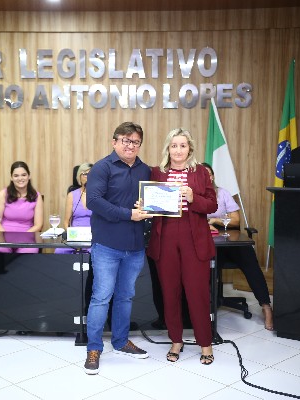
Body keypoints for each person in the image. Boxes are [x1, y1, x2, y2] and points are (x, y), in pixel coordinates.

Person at [83, 122, 151, 375]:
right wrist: (128, 214)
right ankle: (94, 348)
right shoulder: (102, 168)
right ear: (114, 142)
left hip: (135, 246)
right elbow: (93, 201)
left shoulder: (145, 170)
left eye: (135, 142)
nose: (130, 145)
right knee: (101, 297)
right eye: (126, 140)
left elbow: (150, 202)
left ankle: (121, 342)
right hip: (107, 245)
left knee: (125, 296)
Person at [146, 128, 218, 365]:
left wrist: (193, 198)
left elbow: (212, 205)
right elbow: (150, 202)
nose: (178, 150)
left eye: (183, 145)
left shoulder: (200, 173)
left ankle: (205, 343)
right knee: (170, 292)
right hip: (165, 236)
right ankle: (176, 340)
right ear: (168, 148)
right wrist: (146, 204)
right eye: (174, 145)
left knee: (198, 293)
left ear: (190, 149)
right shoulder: (157, 172)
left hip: (193, 236)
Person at [202, 162, 273, 331]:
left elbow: (235, 220)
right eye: (202, 174)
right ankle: (202, 310)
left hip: (229, 240)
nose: (207, 177)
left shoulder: (222, 193)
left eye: (209, 174)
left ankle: (266, 307)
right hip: (205, 242)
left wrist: (214, 220)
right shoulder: (192, 195)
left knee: (249, 260)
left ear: (213, 176)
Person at [0, 161, 44, 253]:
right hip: (3, 235)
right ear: (11, 178)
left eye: (23, 175)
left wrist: (22, 237)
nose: (20, 178)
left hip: (27, 237)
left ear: (29, 176)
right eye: (16, 176)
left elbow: (38, 225)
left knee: (30, 251)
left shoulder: (36, 196)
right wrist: (5, 236)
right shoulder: (3, 194)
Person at [55, 163, 93, 255]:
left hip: (93, 236)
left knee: (93, 253)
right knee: (59, 251)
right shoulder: (72, 195)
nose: (88, 177)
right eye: (85, 174)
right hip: (75, 236)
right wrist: (71, 235)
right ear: (79, 176)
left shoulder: (99, 195)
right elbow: (66, 222)